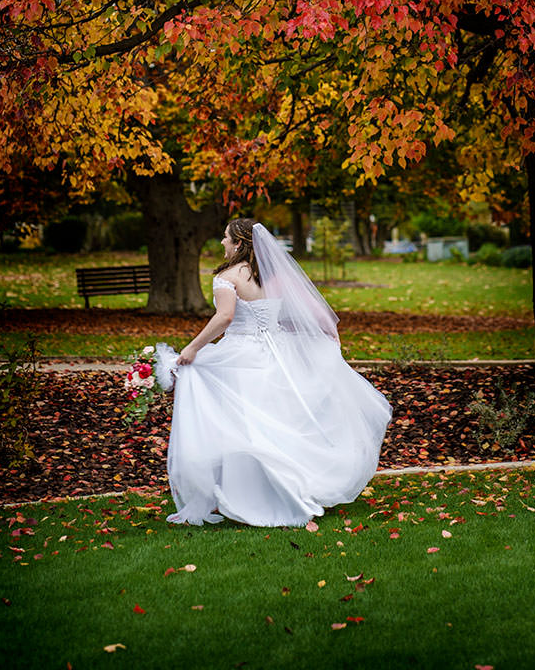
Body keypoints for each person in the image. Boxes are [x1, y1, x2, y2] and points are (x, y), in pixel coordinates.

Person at [156, 218, 391, 527]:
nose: (222, 243)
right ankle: (283, 486)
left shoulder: (227, 277)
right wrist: (327, 333)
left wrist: (193, 348)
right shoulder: (273, 276)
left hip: (241, 354)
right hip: (278, 353)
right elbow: (304, 309)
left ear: (239, 244)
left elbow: (225, 317)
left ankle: (255, 494)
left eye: (226, 238)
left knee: (245, 424)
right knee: (277, 422)